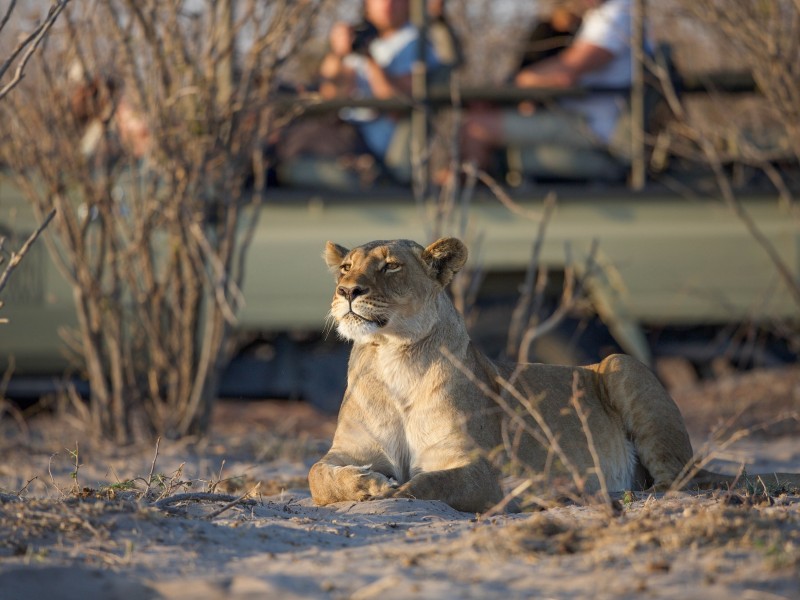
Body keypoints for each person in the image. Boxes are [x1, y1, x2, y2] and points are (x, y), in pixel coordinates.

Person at [463, 0, 642, 182]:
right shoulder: (599, 14)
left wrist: (514, 85)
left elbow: (565, 73)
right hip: (573, 117)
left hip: (591, 126)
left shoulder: (619, 13)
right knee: (482, 113)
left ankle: (467, 200)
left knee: (477, 127)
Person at [316, 0, 445, 184]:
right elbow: (328, 96)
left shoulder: (417, 43)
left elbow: (396, 103)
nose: (387, 5)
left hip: (375, 147)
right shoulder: (361, 36)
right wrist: (338, 54)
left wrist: (369, 58)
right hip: (344, 133)